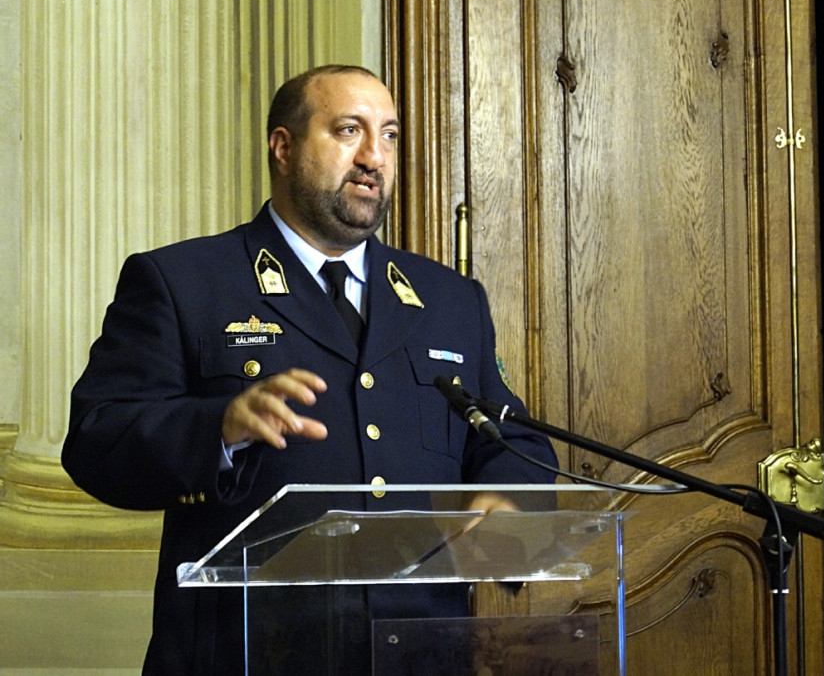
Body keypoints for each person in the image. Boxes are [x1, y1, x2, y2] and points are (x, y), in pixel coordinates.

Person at [62, 64, 557, 674]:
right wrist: (219, 428)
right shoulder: (184, 282)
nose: (374, 157)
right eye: (349, 131)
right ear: (283, 147)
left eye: (390, 135)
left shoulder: (449, 300)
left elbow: (511, 438)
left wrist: (507, 498)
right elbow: (97, 440)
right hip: (244, 654)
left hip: (418, 654)